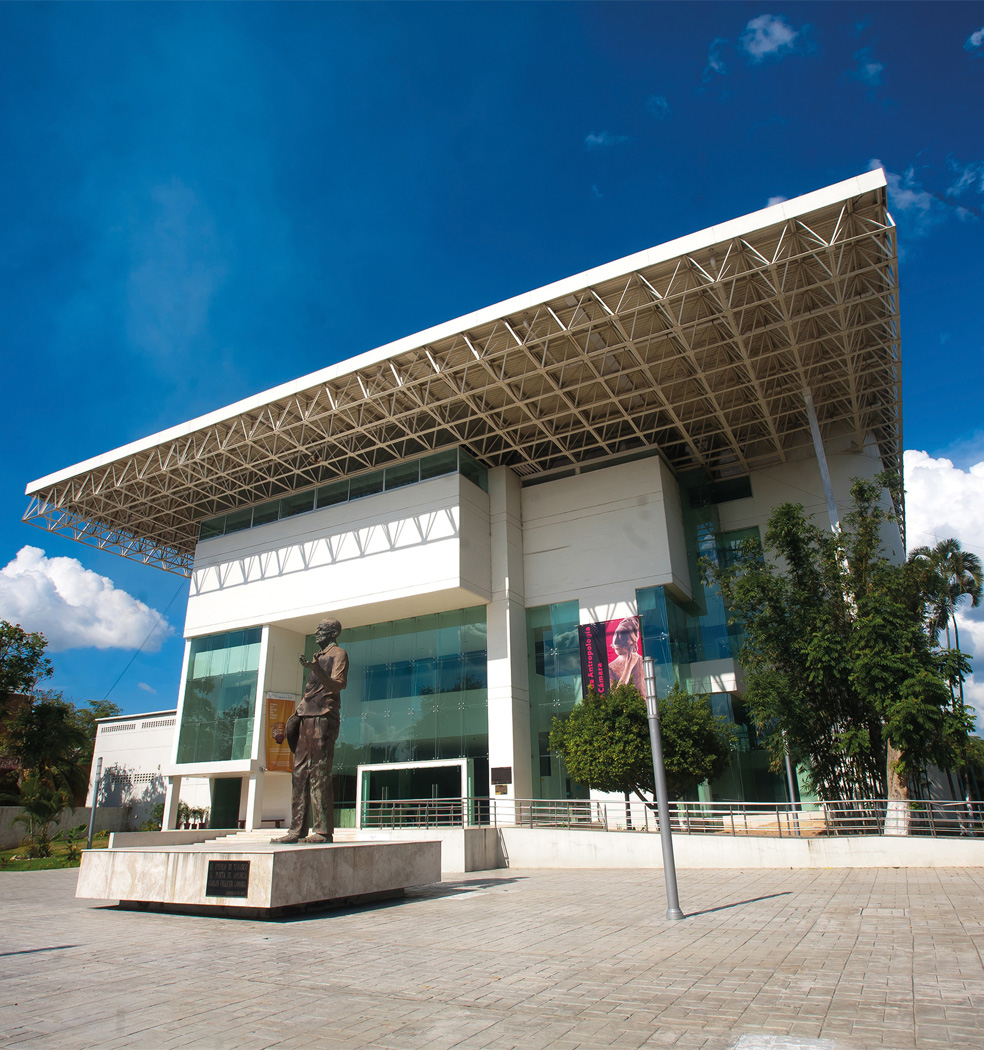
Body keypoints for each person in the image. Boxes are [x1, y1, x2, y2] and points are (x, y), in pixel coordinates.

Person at [272, 617, 348, 844]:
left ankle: (323, 830)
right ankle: (296, 830)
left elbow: (337, 685)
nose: (317, 632)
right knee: (299, 775)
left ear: (333, 633)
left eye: (322, 629)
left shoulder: (339, 654)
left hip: (324, 718)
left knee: (319, 773)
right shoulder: (317, 657)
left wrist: (317, 670)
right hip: (305, 717)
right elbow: (309, 692)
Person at [608, 615, 645, 696]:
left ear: (633, 640)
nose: (617, 641)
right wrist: (628, 667)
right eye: (616, 634)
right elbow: (616, 697)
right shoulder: (610, 668)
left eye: (623, 636)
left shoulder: (643, 662)